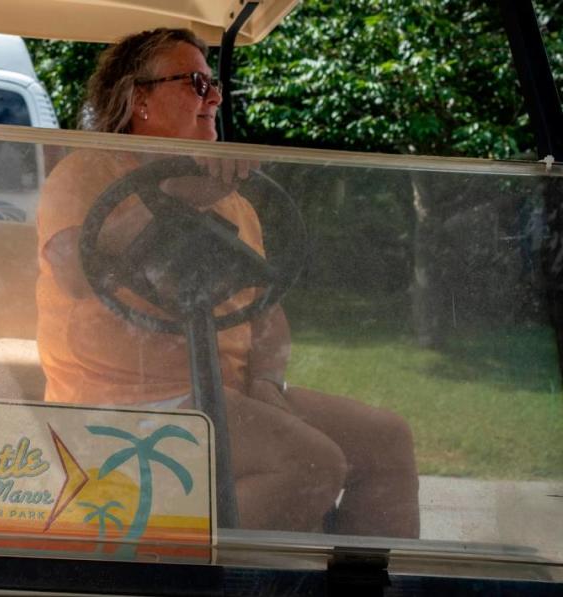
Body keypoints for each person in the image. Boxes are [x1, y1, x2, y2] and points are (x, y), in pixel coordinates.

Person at [35, 28, 419, 537]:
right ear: (139, 99)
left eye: (213, 83)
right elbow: (76, 273)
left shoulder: (233, 200)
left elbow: (264, 313)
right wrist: (178, 193)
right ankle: (180, 571)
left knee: (385, 439)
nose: (214, 95)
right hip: (123, 400)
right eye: (195, 82)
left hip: (220, 391)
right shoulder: (85, 171)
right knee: (312, 464)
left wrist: (266, 383)